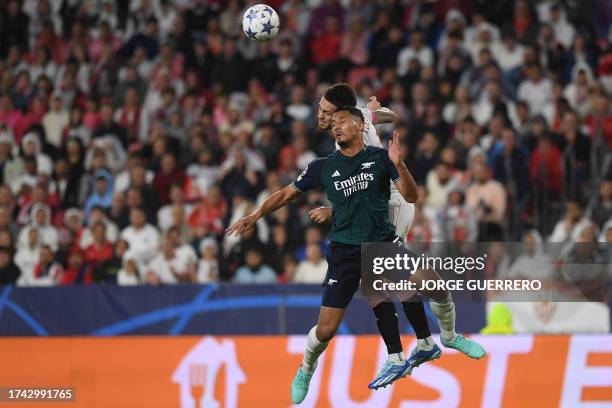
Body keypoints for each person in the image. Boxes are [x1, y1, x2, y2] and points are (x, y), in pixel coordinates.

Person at [226, 107, 485, 403]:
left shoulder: (379, 158)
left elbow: (412, 196)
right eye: (332, 123)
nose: (335, 128)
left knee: (433, 283)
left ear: (359, 125)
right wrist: (256, 214)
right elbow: (286, 194)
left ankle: (449, 336)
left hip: (382, 244)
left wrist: (400, 165)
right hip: (344, 253)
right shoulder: (322, 166)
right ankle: (307, 367)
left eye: (342, 122)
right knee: (326, 329)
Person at [306, 83, 437, 388]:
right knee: (377, 278)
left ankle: (407, 351)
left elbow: (387, 118)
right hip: (379, 200)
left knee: (379, 278)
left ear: (342, 113)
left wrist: (372, 111)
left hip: (388, 200)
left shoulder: (355, 122)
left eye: (326, 110)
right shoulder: (352, 124)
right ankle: (414, 346)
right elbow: (390, 116)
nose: (321, 115)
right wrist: (376, 111)